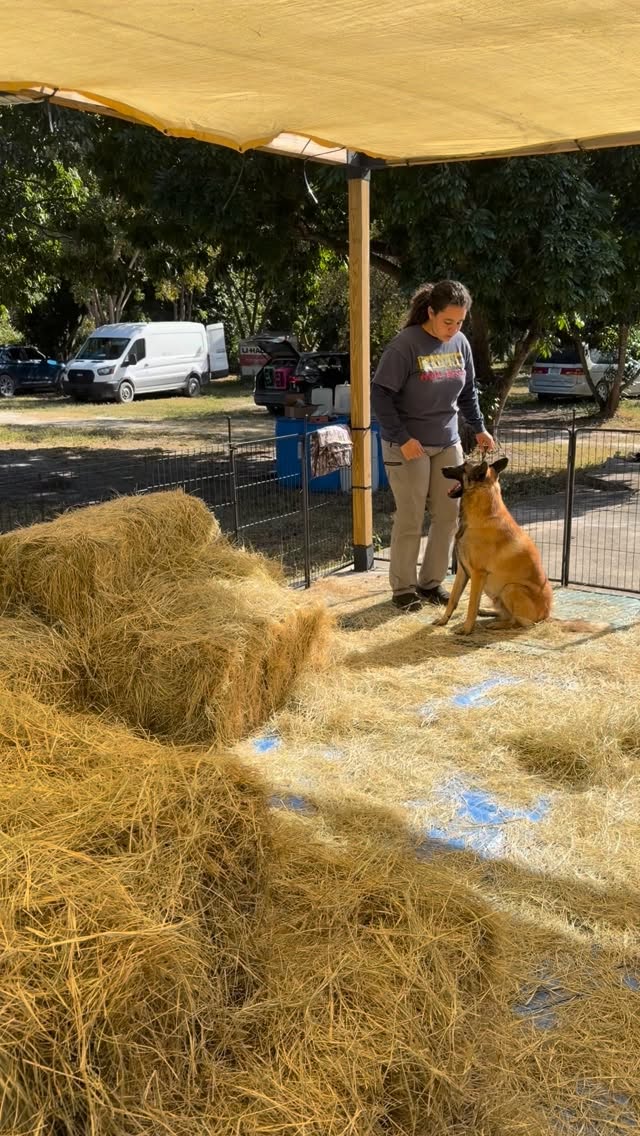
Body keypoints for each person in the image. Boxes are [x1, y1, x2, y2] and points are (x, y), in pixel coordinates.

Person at [371, 279, 494, 612]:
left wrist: (479, 428)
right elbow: (380, 394)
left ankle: (430, 584)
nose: (453, 329)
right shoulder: (405, 345)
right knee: (410, 518)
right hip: (408, 445)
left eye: (460, 322)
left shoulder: (461, 344)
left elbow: (468, 392)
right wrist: (402, 437)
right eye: (447, 322)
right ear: (430, 312)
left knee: (448, 515)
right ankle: (403, 589)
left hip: (447, 442)